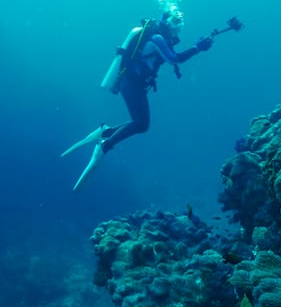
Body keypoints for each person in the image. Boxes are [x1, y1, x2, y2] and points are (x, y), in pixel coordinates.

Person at [63, 10, 213, 191]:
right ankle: (104, 145)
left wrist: (198, 46)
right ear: (165, 22)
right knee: (140, 124)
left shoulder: (162, 38)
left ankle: (106, 132)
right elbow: (174, 59)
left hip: (135, 85)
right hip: (131, 85)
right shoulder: (157, 37)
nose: (179, 26)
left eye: (181, 22)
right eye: (175, 22)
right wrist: (197, 48)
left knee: (141, 124)